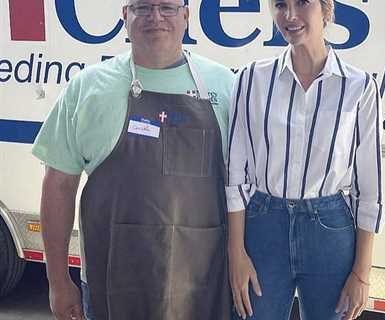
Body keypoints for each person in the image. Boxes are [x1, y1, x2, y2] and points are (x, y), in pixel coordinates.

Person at [32, 0, 234, 319]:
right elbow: (58, 185)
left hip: (204, 286)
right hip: (111, 285)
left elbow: (247, 190)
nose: (156, 17)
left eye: (167, 7)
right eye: (143, 7)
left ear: (186, 16)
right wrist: (57, 281)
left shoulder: (226, 86)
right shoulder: (87, 88)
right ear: (125, 16)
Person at [226, 1, 385, 320]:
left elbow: (370, 189)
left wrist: (361, 273)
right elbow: (235, 176)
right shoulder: (250, 79)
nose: (290, 16)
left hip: (329, 228)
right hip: (263, 226)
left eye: (302, 3)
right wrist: (236, 253)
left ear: (326, 10)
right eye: (280, 5)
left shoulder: (359, 87)